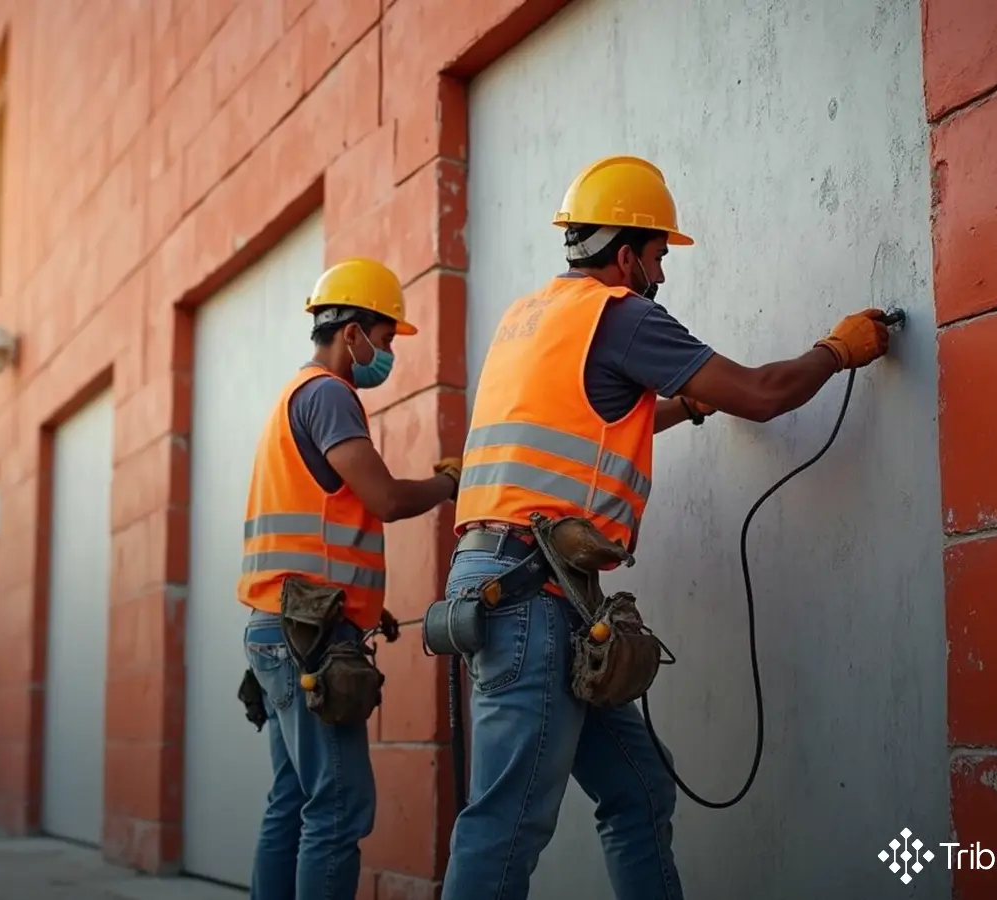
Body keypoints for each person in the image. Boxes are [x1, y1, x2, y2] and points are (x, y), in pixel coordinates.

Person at [439, 155, 893, 900]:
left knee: (640, 793)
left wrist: (686, 403)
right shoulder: (622, 315)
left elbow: (600, 416)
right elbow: (762, 392)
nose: (661, 275)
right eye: (656, 257)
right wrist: (838, 351)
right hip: (531, 600)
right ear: (625, 255)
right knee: (508, 823)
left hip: (519, 590)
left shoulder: (528, 319)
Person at [238, 257, 460, 899]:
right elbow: (385, 498)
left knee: (293, 797)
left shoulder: (292, 397)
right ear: (353, 330)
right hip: (304, 635)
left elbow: (323, 519)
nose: (387, 355)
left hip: (283, 623)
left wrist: (364, 608)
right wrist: (451, 483)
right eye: (386, 339)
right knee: (337, 804)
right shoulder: (331, 394)